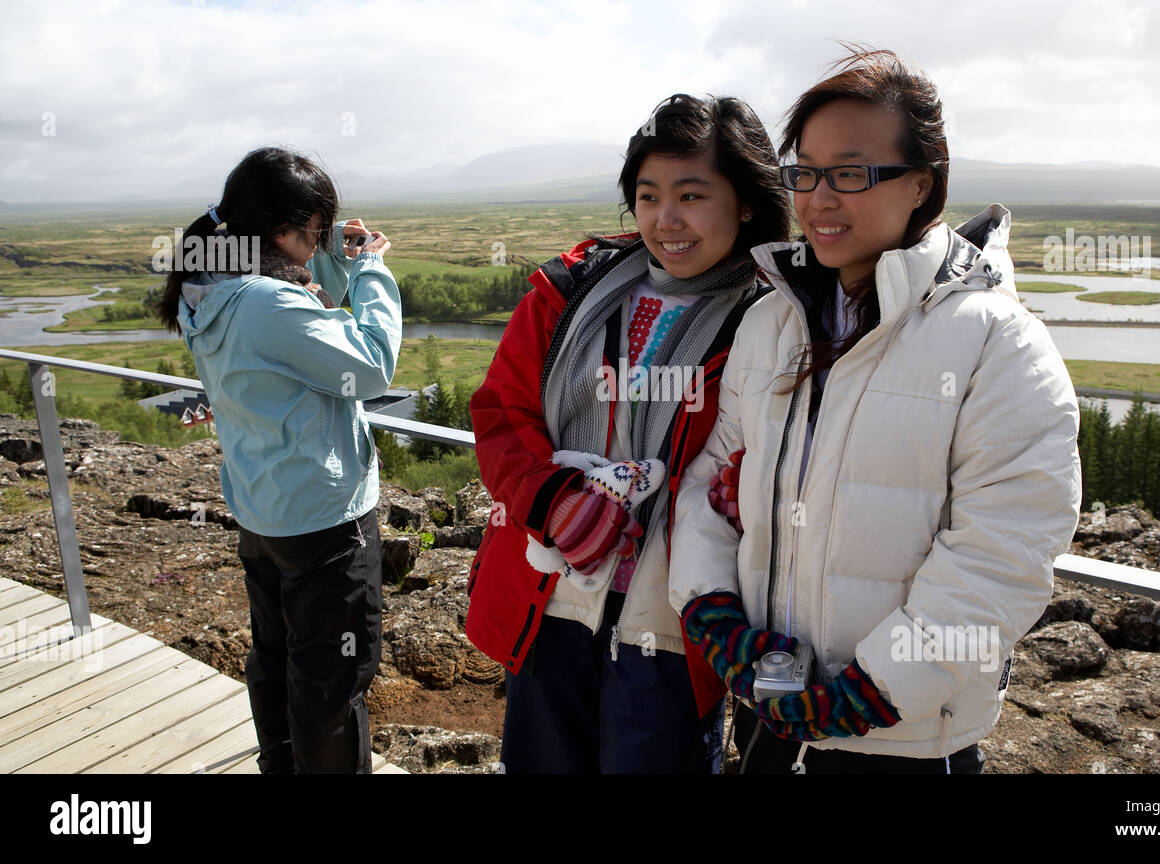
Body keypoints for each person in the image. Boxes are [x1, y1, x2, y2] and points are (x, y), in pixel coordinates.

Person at [669, 48, 1083, 774]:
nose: (820, 197)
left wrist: (871, 692)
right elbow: (712, 480)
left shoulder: (996, 340)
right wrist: (714, 616)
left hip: (905, 738)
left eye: (852, 172)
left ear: (922, 183)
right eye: (805, 172)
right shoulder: (774, 324)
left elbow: (1003, 554)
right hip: (773, 713)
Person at [465, 94, 792, 773]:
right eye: (647, 197)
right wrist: (554, 501)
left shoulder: (776, 320)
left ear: (750, 202)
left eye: (692, 195)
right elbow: (501, 412)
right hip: (551, 596)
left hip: (670, 620)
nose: (666, 221)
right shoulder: (571, 291)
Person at [155, 146, 401, 773]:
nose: (320, 240)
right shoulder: (264, 303)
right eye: (314, 229)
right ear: (280, 232)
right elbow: (370, 366)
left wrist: (336, 260)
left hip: (262, 510)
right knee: (333, 683)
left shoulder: (207, 285)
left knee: (276, 660)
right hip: (323, 519)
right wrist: (371, 269)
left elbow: (303, 321)